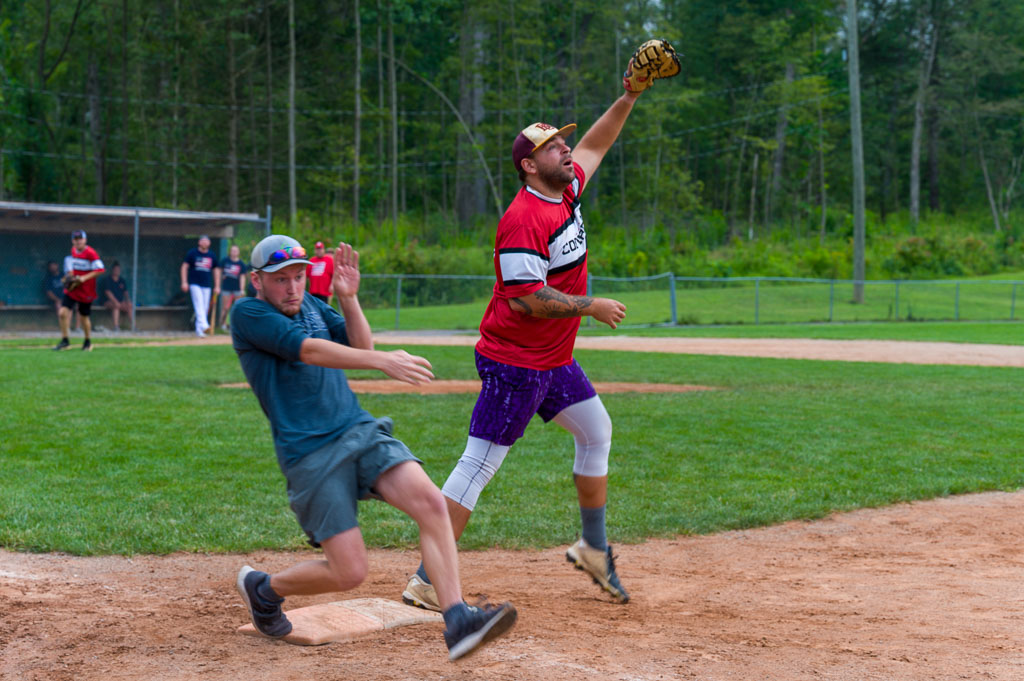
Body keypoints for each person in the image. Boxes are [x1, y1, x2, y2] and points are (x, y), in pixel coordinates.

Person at [402, 40, 680, 612]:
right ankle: (427, 581)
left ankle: (593, 549)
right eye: (553, 147)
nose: (566, 149)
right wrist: (589, 306)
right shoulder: (523, 219)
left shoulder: (567, 188)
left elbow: (599, 140)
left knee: (596, 431)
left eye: (562, 141)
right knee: (479, 463)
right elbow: (528, 299)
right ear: (530, 165)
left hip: (552, 360)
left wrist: (630, 94)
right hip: (514, 358)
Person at [230, 234, 516, 661]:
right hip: (311, 454)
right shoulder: (248, 313)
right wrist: (382, 360)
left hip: (359, 431)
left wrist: (348, 299)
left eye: (298, 277)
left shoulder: (311, 305)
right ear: (257, 280)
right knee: (350, 572)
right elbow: (308, 350)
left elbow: (359, 345)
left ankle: (458, 619)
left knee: (432, 504)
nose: (291, 288)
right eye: (279, 280)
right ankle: (264, 589)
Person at [54, 230, 105, 351]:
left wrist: (83, 278)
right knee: (62, 313)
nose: (78, 241)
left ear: (85, 240)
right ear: (72, 241)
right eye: (75, 239)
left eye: (80, 239)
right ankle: (65, 341)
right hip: (73, 289)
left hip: (86, 291)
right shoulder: (73, 251)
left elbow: (100, 270)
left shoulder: (91, 253)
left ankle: (87, 342)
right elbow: (72, 270)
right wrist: (70, 277)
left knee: (83, 317)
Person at [180, 235, 220, 337]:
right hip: (194, 283)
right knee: (199, 304)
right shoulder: (192, 253)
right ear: (199, 242)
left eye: (207, 241)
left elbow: (216, 270)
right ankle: (205, 325)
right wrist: (184, 282)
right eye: (203, 240)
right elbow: (184, 267)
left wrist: (217, 285)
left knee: (205, 307)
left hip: (207, 284)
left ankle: (199, 330)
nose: (205, 242)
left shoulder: (211, 255)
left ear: (209, 243)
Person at [216, 244, 248, 331]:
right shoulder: (225, 261)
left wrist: (242, 289)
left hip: (237, 289)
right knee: (225, 307)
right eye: (232, 250)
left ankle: (236, 325)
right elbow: (219, 272)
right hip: (226, 288)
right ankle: (222, 325)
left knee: (237, 307)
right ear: (230, 252)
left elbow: (242, 277)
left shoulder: (241, 264)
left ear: (238, 252)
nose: (234, 252)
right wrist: (219, 283)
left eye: (236, 251)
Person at [99, 261, 133, 331]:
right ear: (112, 270)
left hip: (120, 302)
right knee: (116, 305)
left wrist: (128, 301)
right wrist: (115, 301)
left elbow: (125, 292)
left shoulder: (122, 280)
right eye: (115, 270)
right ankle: (116, 327)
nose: (117, 271)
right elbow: (107, 292)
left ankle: (133, 326)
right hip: (107, 302)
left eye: (118, 270)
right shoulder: (107, 280)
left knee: (129, 305)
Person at [305, 240, 334, 305]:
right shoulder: (312, 260)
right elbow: (305, 275)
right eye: (317, 249)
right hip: (313, 291)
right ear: (315, 250)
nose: (319, 251)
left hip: (324, 291)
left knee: (324, 308)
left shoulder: (329, 260)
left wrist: (332, 285)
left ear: (323, 250)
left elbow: (334, 274)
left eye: (320, 249)